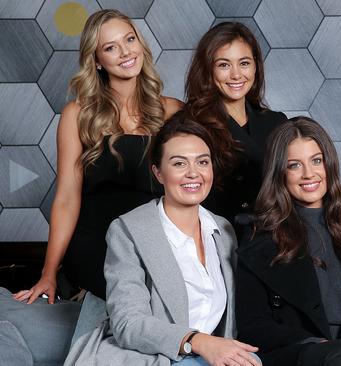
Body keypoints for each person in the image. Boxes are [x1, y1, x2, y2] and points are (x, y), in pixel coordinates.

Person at [13, 9, 183, 303]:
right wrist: (49, 273)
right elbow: (67, 198)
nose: (125, 52)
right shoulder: (77, 115)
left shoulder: (173, 111)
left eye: (130, 39)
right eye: (110, 47)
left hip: (156, 249)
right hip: (96, 250)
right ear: (97, 61)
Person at [65, 113, 261, 366]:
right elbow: (128, 323)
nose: (194, 173)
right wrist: (198, 341)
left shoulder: (223, 230)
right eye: (179, 164)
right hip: (155, 356)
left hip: (209, 356)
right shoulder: (128, 230)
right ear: (158, 172)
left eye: (202, 162)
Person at [235, 117, 341, 366]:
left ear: (329, 163)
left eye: (316, 160)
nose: (308, 174)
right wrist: (317, 347)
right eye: (294, 165)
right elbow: (253, 324)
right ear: (279, 172)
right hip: (299, 356)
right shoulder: (257, 235)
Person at [185, 21, 287, 233]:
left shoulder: (276, 122)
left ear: (256, 66)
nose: (236, 75)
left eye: (244, 63)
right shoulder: (189, 125)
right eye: (224, 65)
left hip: (271, 240)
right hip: (215, 239)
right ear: (207, 69)